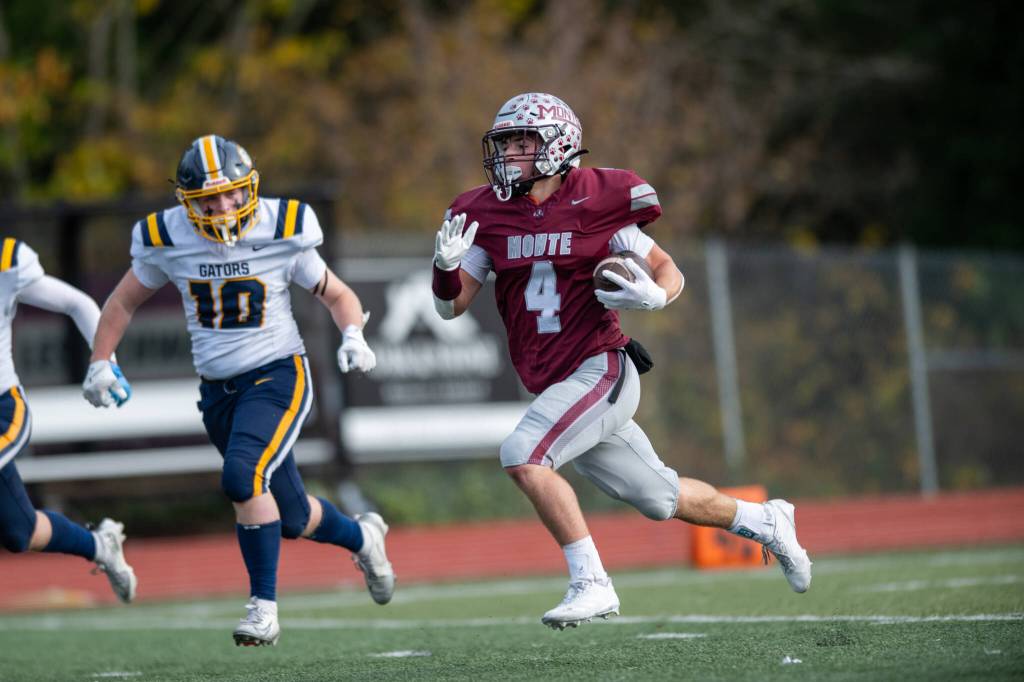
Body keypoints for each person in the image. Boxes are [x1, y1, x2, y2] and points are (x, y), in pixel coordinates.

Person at [431, 93, 811, 629]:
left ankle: (591, 582)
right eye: (506, 143)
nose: (509, 154)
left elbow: (664, 266)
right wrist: (445, 268)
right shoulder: (484, 214)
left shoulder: (599, 198)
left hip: (601, 367)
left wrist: (659, 295)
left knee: (523, 454)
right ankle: (767, 521)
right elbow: (451, 306)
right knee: (661, 497)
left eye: (522, 142)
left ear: (557, 146)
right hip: (556, 384)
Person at [82, 135, 395, 647]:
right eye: (209, 198)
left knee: (242, 476)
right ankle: (365, 537)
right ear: (187, 201)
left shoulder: (282, 227)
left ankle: (263, 608)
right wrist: (99, 362)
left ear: (250, 188)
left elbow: (337, 294)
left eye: (231, 194)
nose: (223, 206)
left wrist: (354, 334)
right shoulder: (167, 237)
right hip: (218, 392)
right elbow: (120, 304)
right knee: (291, 516)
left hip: (277, 375)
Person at [0, 237, 137, 603]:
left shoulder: (7, 261)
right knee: (20, 531)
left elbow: (76, 302)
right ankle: (99, 545)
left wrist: (105, 362)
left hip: (2, 409)